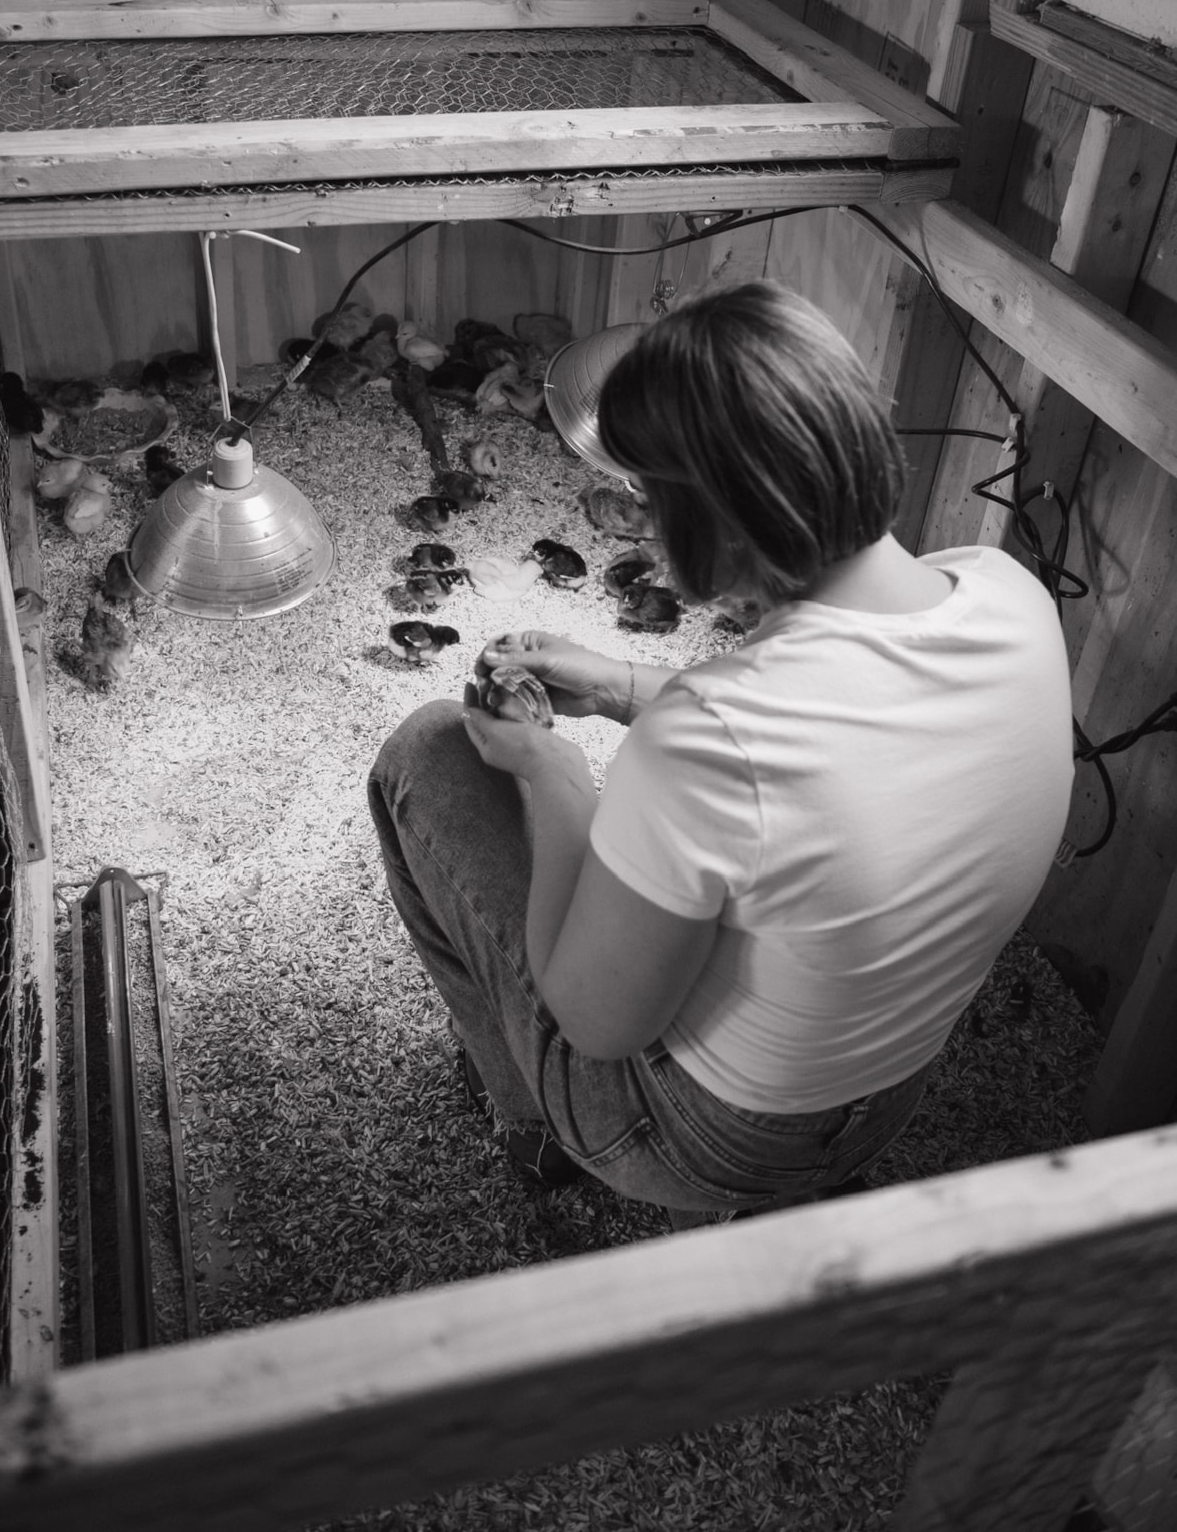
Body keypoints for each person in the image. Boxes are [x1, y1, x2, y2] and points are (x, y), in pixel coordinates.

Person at [367, 281, 1075, 1222]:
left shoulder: (709, 732)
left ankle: (540, 1130)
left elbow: (597, 1023)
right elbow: (837, 730)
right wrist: (620, 685)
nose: (648, 524)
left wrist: (549, 771)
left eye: (651, 500)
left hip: (707, 1140)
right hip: (889, 1096)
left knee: (426, 752)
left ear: (707, 520)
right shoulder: (1004, 593)